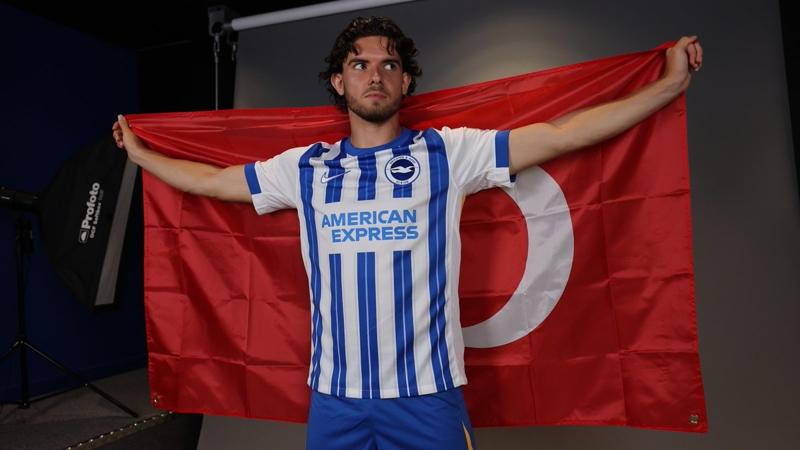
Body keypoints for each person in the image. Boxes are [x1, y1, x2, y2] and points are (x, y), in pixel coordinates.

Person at [113, 16, 702, 450]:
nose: (375, 75)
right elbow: (213, 183)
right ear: (338, 82)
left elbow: (562, 135)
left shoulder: (448, 153)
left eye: (389, 65)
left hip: (427, 396)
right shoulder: (306, 168)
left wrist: (667, 87)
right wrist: (141, 157)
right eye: (359, 65)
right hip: (336, 400)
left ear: (406, 82)